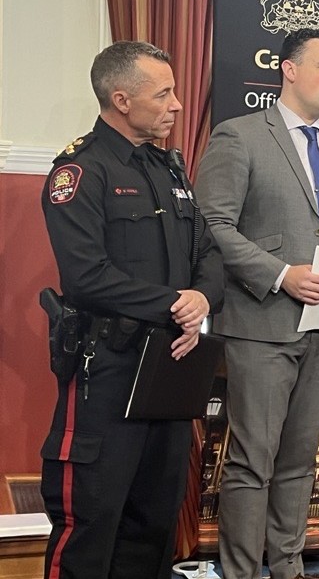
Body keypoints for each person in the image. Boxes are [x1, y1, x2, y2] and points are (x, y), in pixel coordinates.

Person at [194, 28, 319, 579]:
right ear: (289, 70)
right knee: (251, 463)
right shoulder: (241, 136)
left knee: (299, 464)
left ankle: (287, 568)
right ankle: (239, 573)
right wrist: (281, 275)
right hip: (261, 326)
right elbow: (212, 226)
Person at [39, 41, 224, 578]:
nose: (178, 105)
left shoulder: (168, 168)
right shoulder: (80, 172)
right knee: (90, 525)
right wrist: (174, 302)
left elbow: (207, 252)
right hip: (106, 369)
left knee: (154, 523)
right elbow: (86, 276)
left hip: (170, 365)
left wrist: (201, 299)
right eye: (163, 93)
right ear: (121, 99)